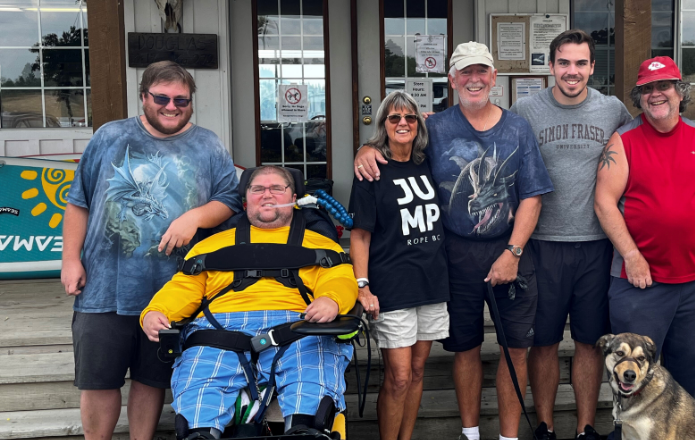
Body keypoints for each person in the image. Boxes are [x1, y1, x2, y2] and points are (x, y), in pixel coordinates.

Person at [509, 30, 695, 440]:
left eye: (581, 63)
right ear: (551, 66)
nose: (573, 71)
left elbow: (660, 123)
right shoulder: (525, 110)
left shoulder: (612, 110)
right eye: (564, 63)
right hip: (543, 243)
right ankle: (546, 426)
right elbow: (493, 138)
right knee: (545, 343)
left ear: (592, 67)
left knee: (591, 343)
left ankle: (588, 428)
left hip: (597, 249)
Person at [355, 42, 554, 440]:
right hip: (454, 256)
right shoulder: (436, 127)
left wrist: (513, 252)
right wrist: (366, 148)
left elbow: (532, 195)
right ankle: (470, 433)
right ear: (452, 80)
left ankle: (509, 436)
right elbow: (398, 147)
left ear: (494, 77)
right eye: (465, 72)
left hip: (510, 252)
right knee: (465, 347)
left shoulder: (517, 128)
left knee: (515, 348)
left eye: (482, 71)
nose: (474, 79)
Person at [61, 60, 242, 440]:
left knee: (152, 379)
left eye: (182, 100)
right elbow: (79, 202)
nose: (172, 106)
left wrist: (194, 217)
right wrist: (70, 259)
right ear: (143, 97)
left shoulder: (208, 143)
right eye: (162, 98)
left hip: (171, 291)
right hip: (103, 287)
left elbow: (230, 199)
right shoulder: (110, 136)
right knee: (98, 381)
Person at [141, 166, 357, 438]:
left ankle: (305, 430)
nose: (267, 194)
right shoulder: (209, 246)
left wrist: (331, 300)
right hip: (219, 330)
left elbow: (340, 278)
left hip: (297, 325)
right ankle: (200, 432)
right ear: (246, 199)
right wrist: (156, 311)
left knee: (310, 384)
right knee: (199, 395)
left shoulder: (323, 244)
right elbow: (184, 287)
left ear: (294, 196)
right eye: (258, 189)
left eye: (277, 188)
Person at [594, 56, 695, 439]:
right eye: (647, 89)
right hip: (640, 284)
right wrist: (631, 255)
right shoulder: (624, 141)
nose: (656, 94)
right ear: (639, 97)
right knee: (631, 377)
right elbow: (603, 202)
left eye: (663, 86)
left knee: (687, 380)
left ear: (680, 93)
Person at [348, 90, 450, 440]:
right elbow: (360, 235)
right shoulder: (371, 169)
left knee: (419, 371)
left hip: (432, 280)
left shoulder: (428, 162)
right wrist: (362, 286)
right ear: (383, 125)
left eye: (410, 117)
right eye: (394, 118)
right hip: (392, 284)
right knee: (399, 376)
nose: (403, 123)